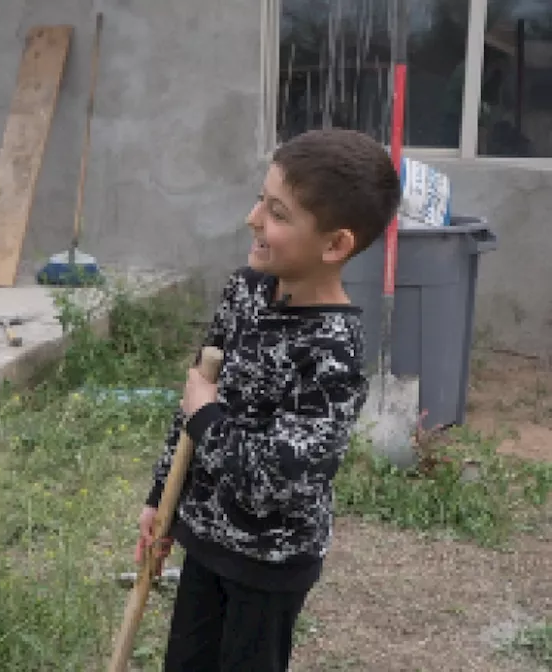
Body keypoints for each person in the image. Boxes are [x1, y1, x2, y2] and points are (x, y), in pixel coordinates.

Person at [134, 128, 402, 671]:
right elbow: (193, 401)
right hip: (206, 537)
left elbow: (278, 480)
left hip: (269, 563)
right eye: (261, 199)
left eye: (277, 213)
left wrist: (206, 410)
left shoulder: (333, 355)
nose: (254, 218)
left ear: (335, 245)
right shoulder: (247, 289)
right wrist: (163, 495)